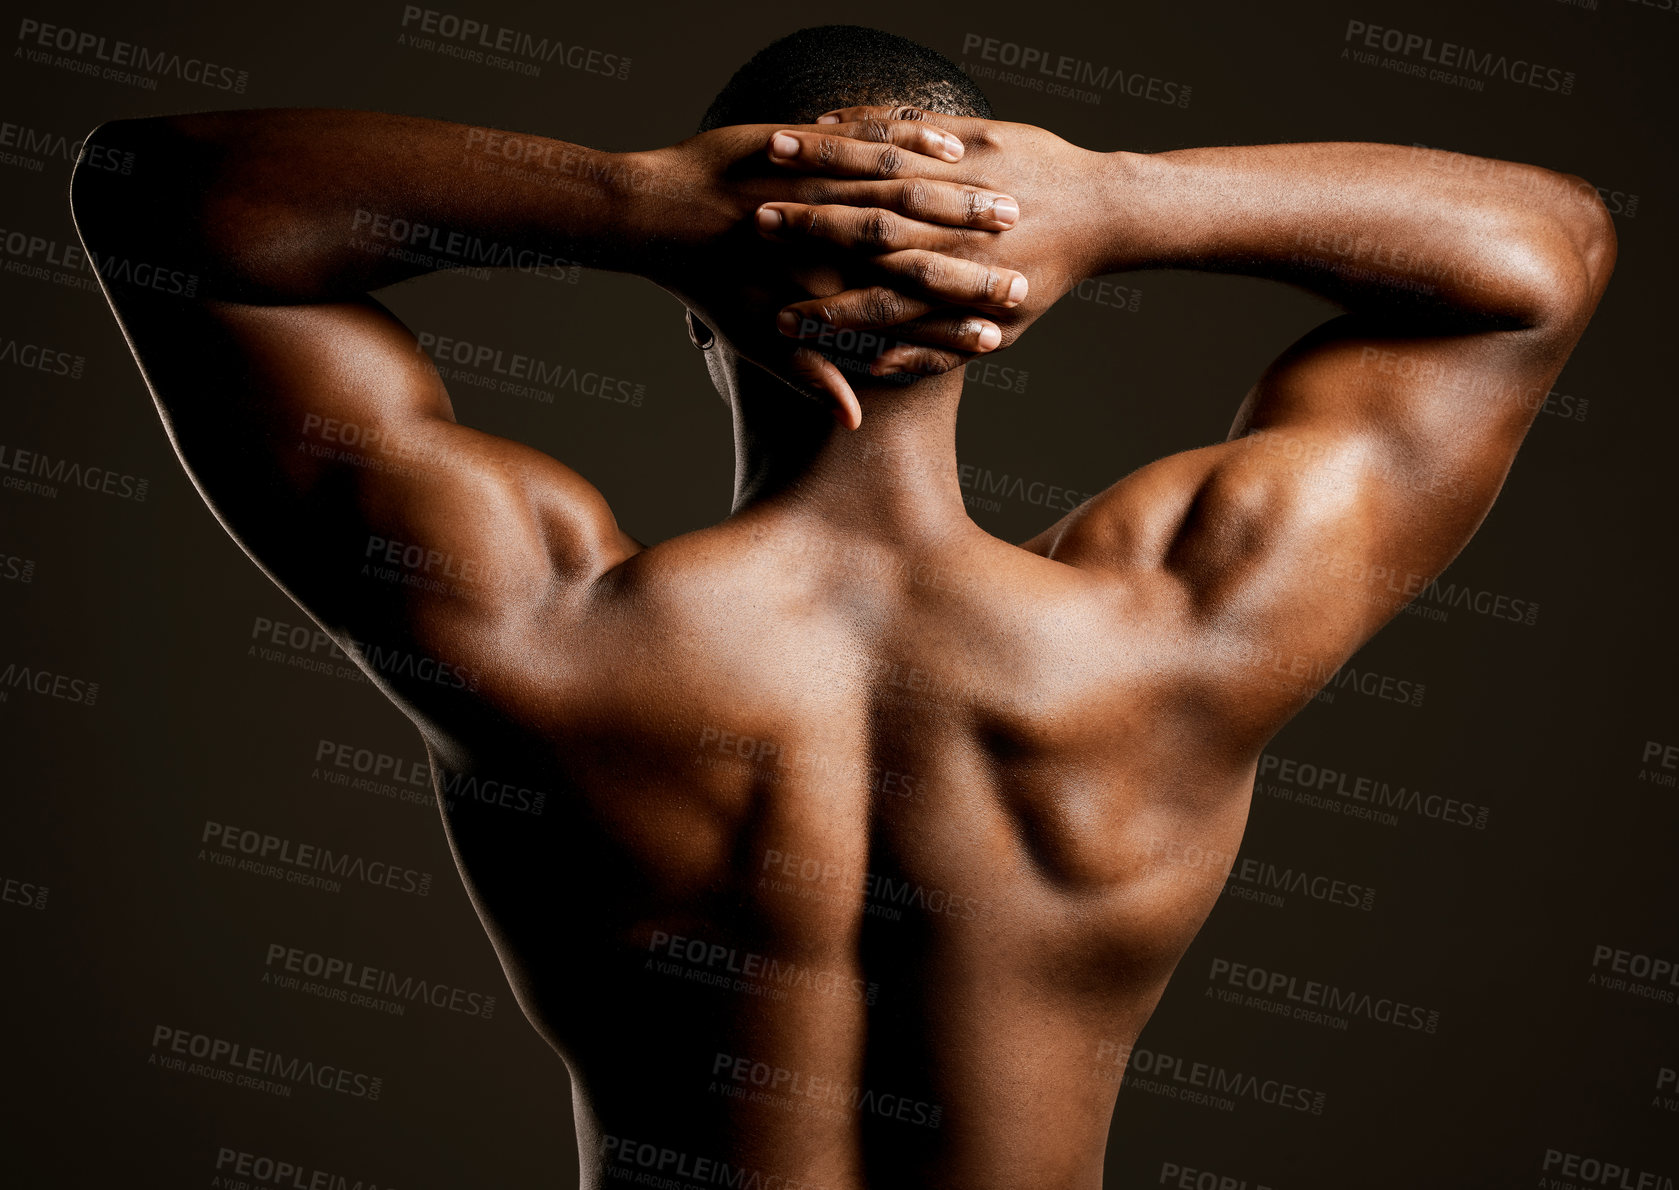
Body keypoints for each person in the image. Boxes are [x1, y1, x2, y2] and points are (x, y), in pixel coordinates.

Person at [69, 24, 1613, 1190]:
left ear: (703, 322)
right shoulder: (1181, 631)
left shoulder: (540, 629)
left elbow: (158, 199)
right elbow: (1549, 253)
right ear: (996, 313)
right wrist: (1111, 204)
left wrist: (630, 207)